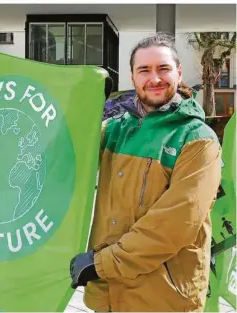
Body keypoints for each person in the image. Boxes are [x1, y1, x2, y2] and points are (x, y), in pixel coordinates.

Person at [69, 33, 222, 312]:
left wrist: (101, 263)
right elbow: (67, 149)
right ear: (132, 77)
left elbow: (176, 224)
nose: (155, 78)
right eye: (144, 70)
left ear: (178, 72)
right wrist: (82, 103)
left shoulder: (198, 139)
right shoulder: (117, 128)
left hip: (162, 298)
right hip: (109, 296)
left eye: (163, 68)